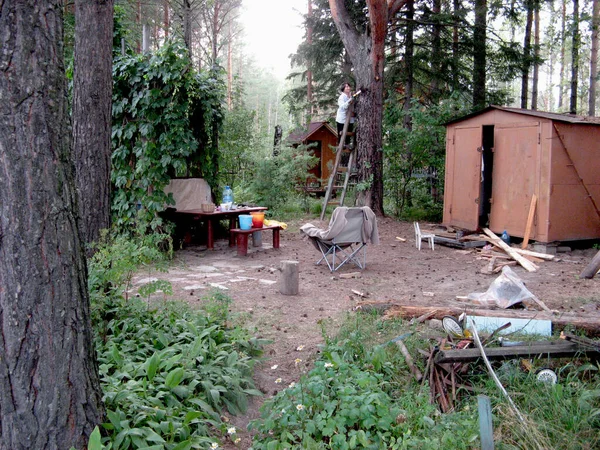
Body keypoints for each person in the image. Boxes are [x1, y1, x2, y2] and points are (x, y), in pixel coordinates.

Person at [335, 82, 355, 148]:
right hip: (342, 118)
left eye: (349, 86)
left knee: (349, 132)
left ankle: (348, 144)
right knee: (341, 133)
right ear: (343, 89)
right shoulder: (341, 97)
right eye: (346, 87)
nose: (348, 88)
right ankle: (341, 145)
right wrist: (349, 101)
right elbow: (343, 107)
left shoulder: (352, 95)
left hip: (350, 118)